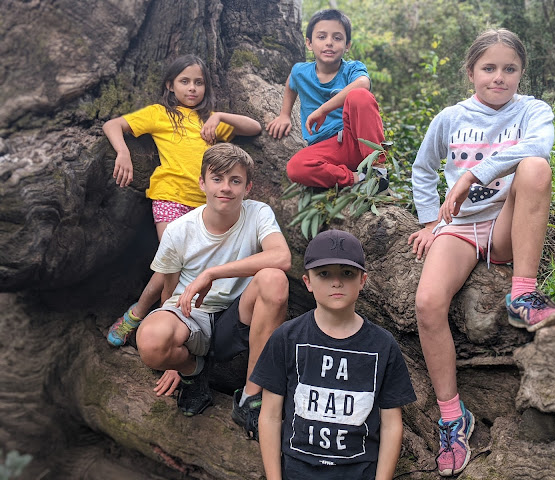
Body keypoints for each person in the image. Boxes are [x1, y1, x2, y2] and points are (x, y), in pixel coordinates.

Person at [408, 29, 555, 476]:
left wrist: (471, 175)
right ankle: (453, 417)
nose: (499, 77)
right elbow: (422, 169)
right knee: (427, 303)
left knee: (535, 167)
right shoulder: (450, 118)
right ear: (471, 72)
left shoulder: (533, 111)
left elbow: (538, 147)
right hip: (459, 227)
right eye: (489, 68)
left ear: (521, 73)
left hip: (506, 225)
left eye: (509, 68)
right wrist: (430, 222)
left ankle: (523, 292)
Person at [102, 54, 262, 349]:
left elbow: (254, 127)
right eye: (184, 81)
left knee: (185, 266)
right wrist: (123, 152)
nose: (192, 88)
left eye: (198, 83)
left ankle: (171, 322)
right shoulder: (159, 114)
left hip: (204, 207)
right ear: (170, 85)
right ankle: (137, 315)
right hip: (170, 197)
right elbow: (113, 125)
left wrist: (220, 116)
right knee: (170, 263)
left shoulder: (209, 121)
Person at [134, 143, 290, 434]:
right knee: (152, 340)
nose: (226, 187)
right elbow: (168, 293)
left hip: (237, 317)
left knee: (274, 278)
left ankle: (251, 396)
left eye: (235, 180)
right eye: (217, 179)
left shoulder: (258, 213)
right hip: (192, 314)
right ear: (202, 183)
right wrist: (173, 360)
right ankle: (194, 374)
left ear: (248, 188)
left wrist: (211, 273)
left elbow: (282, 257)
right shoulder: (179, 230)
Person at [252, 229, 416, 479]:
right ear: (307, 282)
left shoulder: (383, 345)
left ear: (363, 280)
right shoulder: (286, 338)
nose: (336, 282)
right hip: (297, 472)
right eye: (324, 273)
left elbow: (391, 425)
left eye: (347, 273)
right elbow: (270, 416)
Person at [266, 9, 388, 190]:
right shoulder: (300, 71)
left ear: (347, 45)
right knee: (296, 167)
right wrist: (285, 114)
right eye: (322, 37)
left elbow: (363, 84)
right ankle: (356, 177)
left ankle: (378, 170)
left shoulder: (352, 69)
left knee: (360, 96)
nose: (329, 42)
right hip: (327, 148)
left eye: (337, 38)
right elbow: (291, 83)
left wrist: (323, 109)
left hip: (356, 140)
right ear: (309, 43)